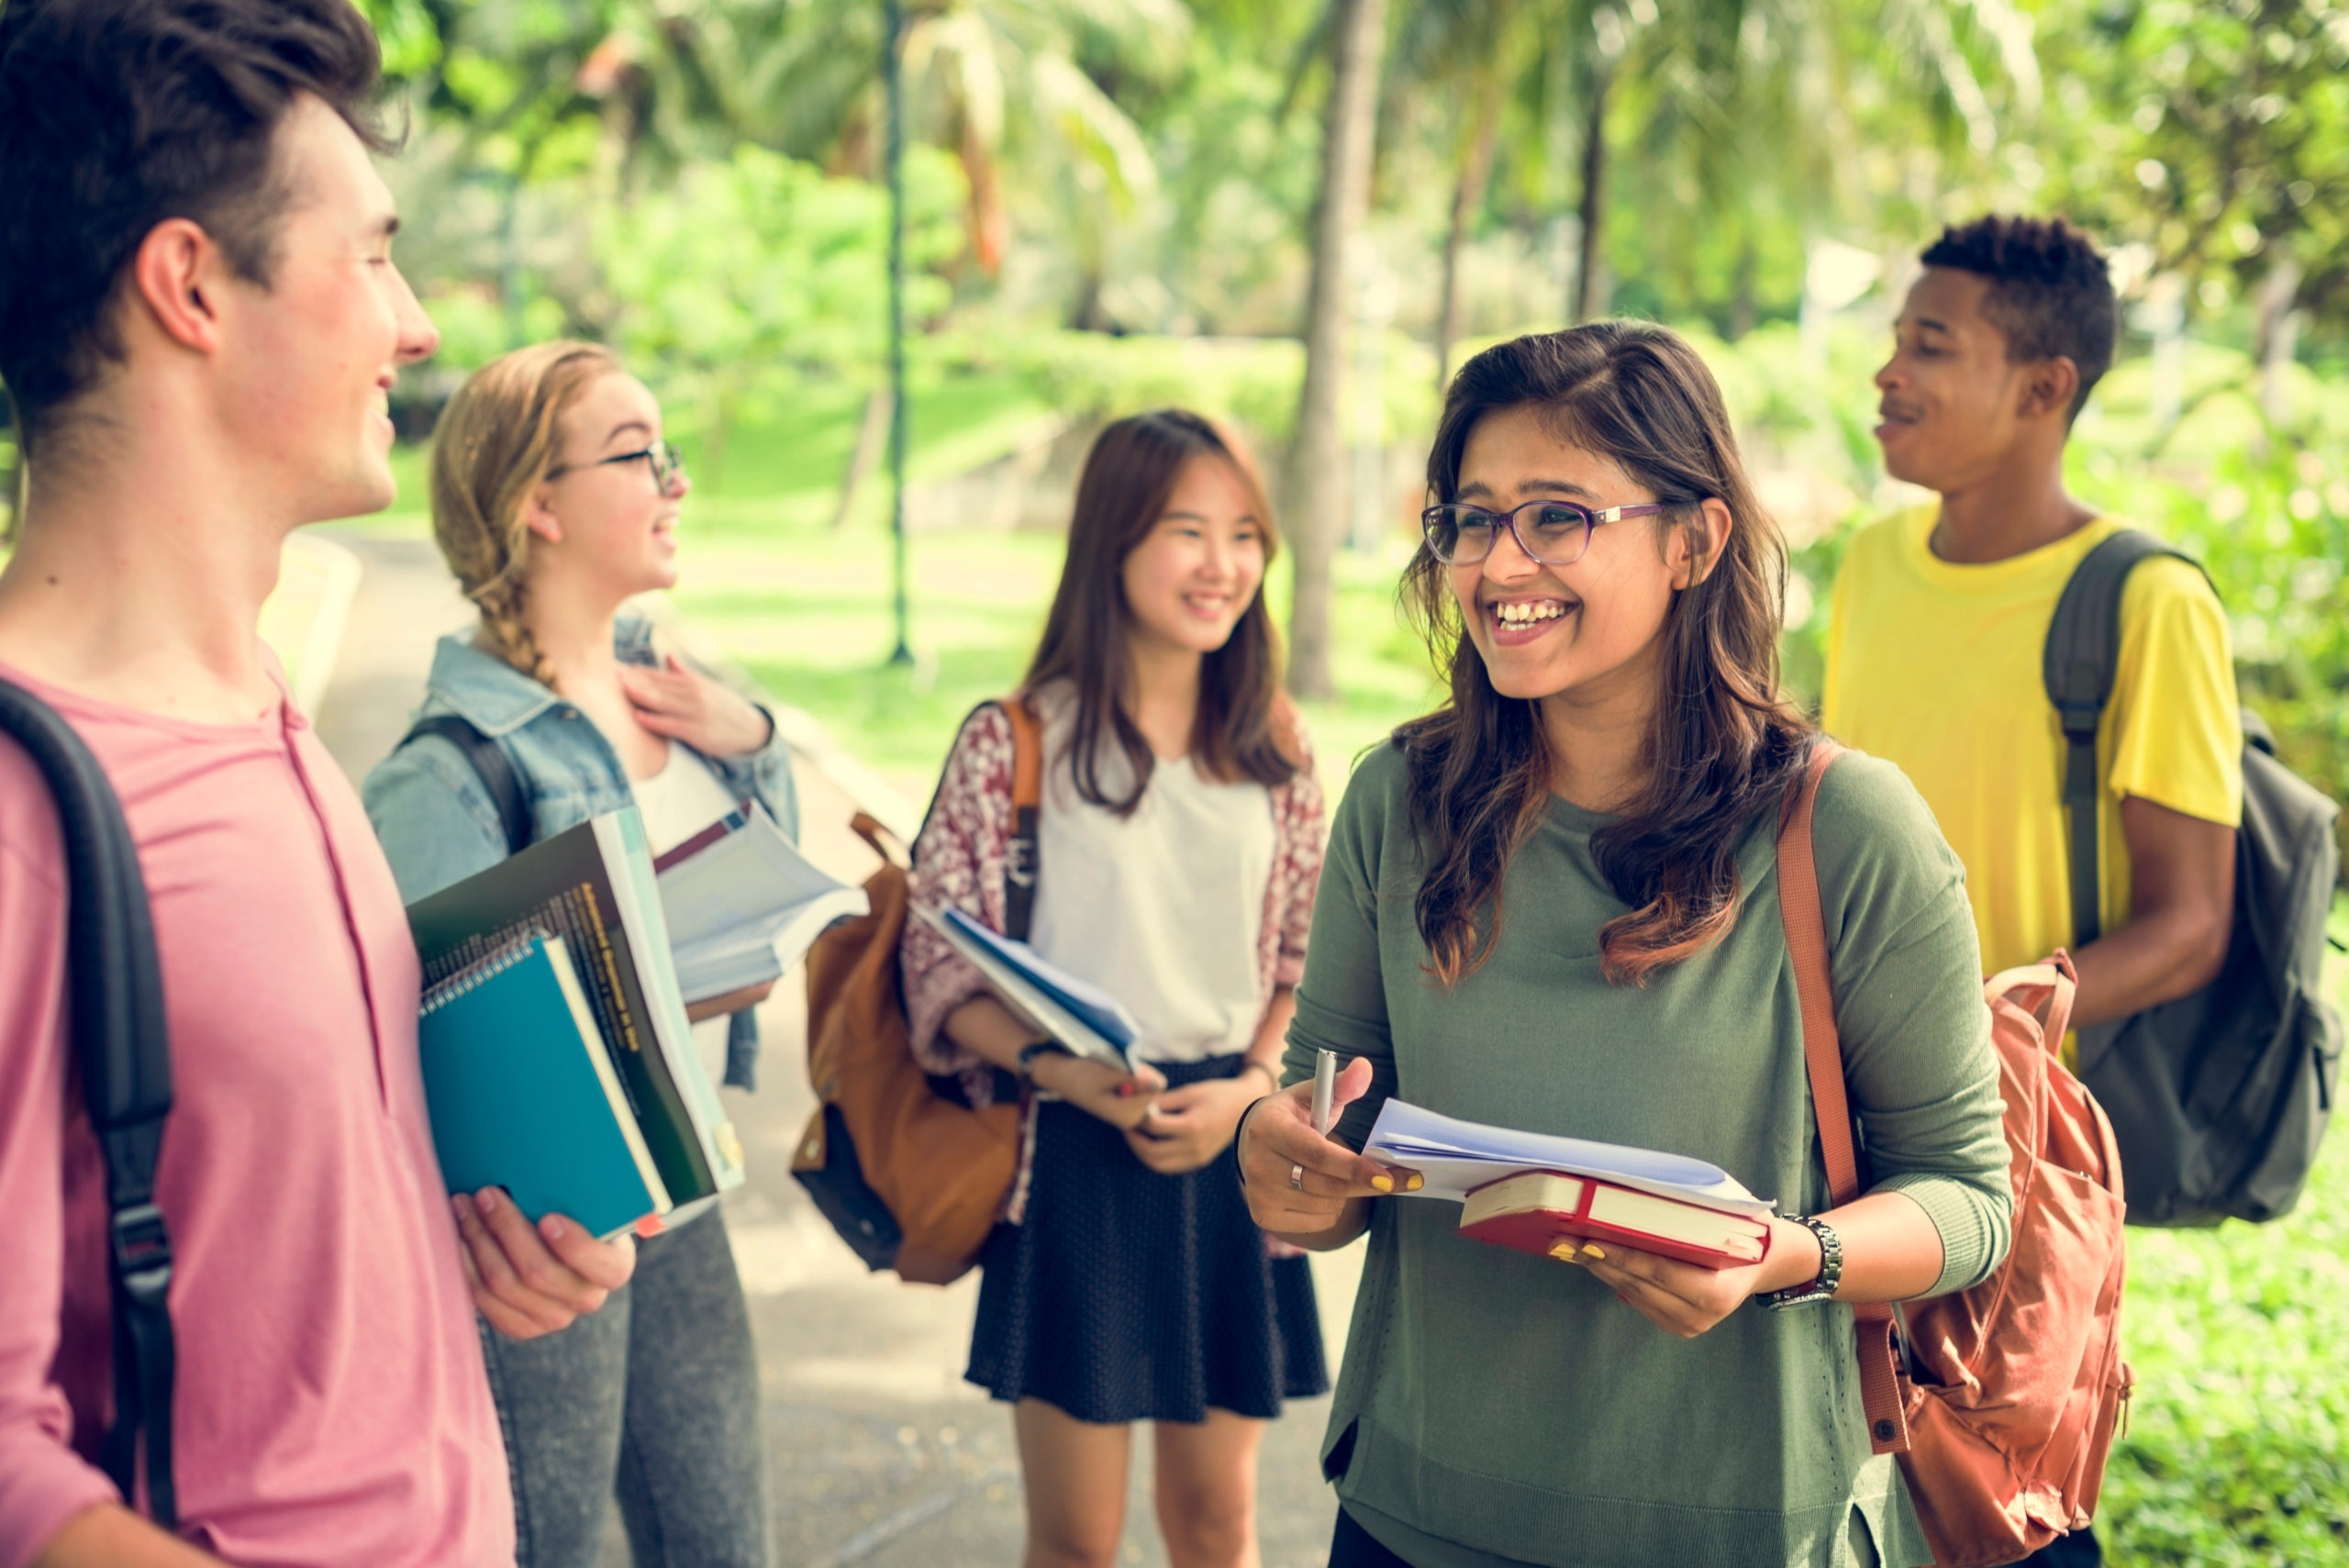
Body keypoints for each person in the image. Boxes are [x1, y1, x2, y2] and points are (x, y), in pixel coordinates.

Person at [0, 5, 633, 1565]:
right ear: (192, 286)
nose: (415, 325)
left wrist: (459, 1239)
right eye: (370, 259)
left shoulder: (268, 715)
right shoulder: (25, 809)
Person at [1237, 324, 2015, 1568]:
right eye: (1472, 518)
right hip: (1412, 1515)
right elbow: (1324, 1129)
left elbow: (1973, 1202)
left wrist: (1785, 1258)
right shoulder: (1398, 800)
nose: (1500, 562)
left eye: (1556, 516)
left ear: (1694, 541)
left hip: (1735, 1527)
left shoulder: (1847, 828)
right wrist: (1285, 1162)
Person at [1821, 217, 2244, 1567]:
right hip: (1835, 1099)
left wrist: (1995, 1015)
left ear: (2045, 386)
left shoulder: (2147, 598)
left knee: (2000, 1486)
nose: (1888, 371)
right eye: (1894, 340)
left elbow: (2190, 921)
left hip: (2019, 1129)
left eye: (1929, 346)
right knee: (1841, 1460)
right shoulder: (1870, 568)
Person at [363, 340, 797, 1568]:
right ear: (535, 505)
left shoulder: (677, 682)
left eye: (670, 451)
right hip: (544, 1234)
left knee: (722, 1543)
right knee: (534, 1541)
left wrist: (754, 735)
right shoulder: (449, 769)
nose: (677, 480)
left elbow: (777, 874)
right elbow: (418, 1064)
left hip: (683, 1195)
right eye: (638, 453)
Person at [899, 409, 1329, 1568]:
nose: (1222, 563)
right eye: (1187, 529)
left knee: (1217, 1526)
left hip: (1231, 1150)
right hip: (1076, 1151)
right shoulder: (1016, 741)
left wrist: (1248, 1088)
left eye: (1244, 533)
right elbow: (937, 960)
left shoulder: (1274, 747)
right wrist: (1068, 1076)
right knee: (1078, 1543)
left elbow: (1303, 961)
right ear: (1111, 539)